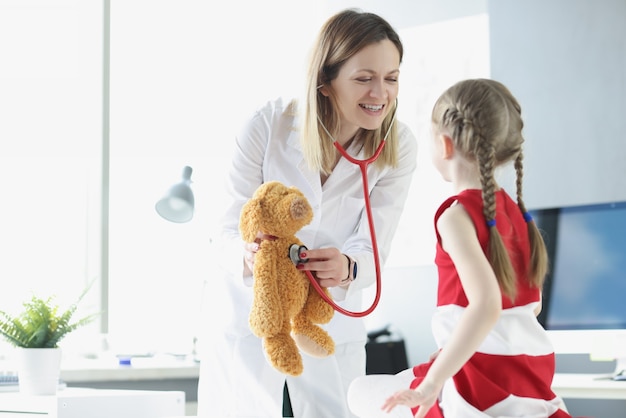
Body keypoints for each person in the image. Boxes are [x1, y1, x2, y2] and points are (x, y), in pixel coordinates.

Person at [196, 8, 418, 418]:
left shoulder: (397, 146)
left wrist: (348, 267)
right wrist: (245, 255)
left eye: (391, 78)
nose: (380, 94)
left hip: (327, 328)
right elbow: (224, 229)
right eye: (364, 78)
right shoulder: (267, 126)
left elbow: (374, 247)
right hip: (250, 324)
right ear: (326, 81)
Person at [347, 78, 573, 418]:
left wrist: (432, 383)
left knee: (357, 391)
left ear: (445, 144)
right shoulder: (519, 216)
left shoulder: (455, 217)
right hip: (530, 379)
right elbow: (532, 305)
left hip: (479, 385)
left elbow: (486, 305)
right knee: (402, 379)